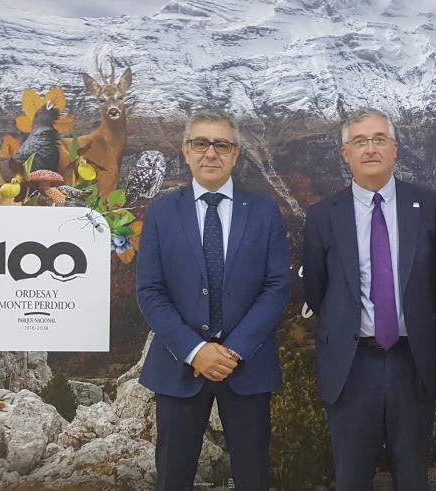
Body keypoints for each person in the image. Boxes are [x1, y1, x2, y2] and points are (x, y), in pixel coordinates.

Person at [136, 111, 290, 491]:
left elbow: (277, 288)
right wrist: (195, 350)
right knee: (173, 477)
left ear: (235, 154)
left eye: (222, 145)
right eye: (201, 143)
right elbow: (150, 291)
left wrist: (233, 351)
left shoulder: (265, 211)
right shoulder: (161, 212)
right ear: (187, 152)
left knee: (253, 477)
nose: (211, 153)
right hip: (180, 366)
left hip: (247, 366)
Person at [303, 107, 436, 490]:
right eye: (360, 141)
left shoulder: (428, 205)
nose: (370, 149)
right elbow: (318, 289)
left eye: (379, 139)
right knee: (351, 478)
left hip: (412, 362)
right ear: (345, 153)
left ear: (395, 149)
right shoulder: (322, 216)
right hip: (352, 366)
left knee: (413, 476)